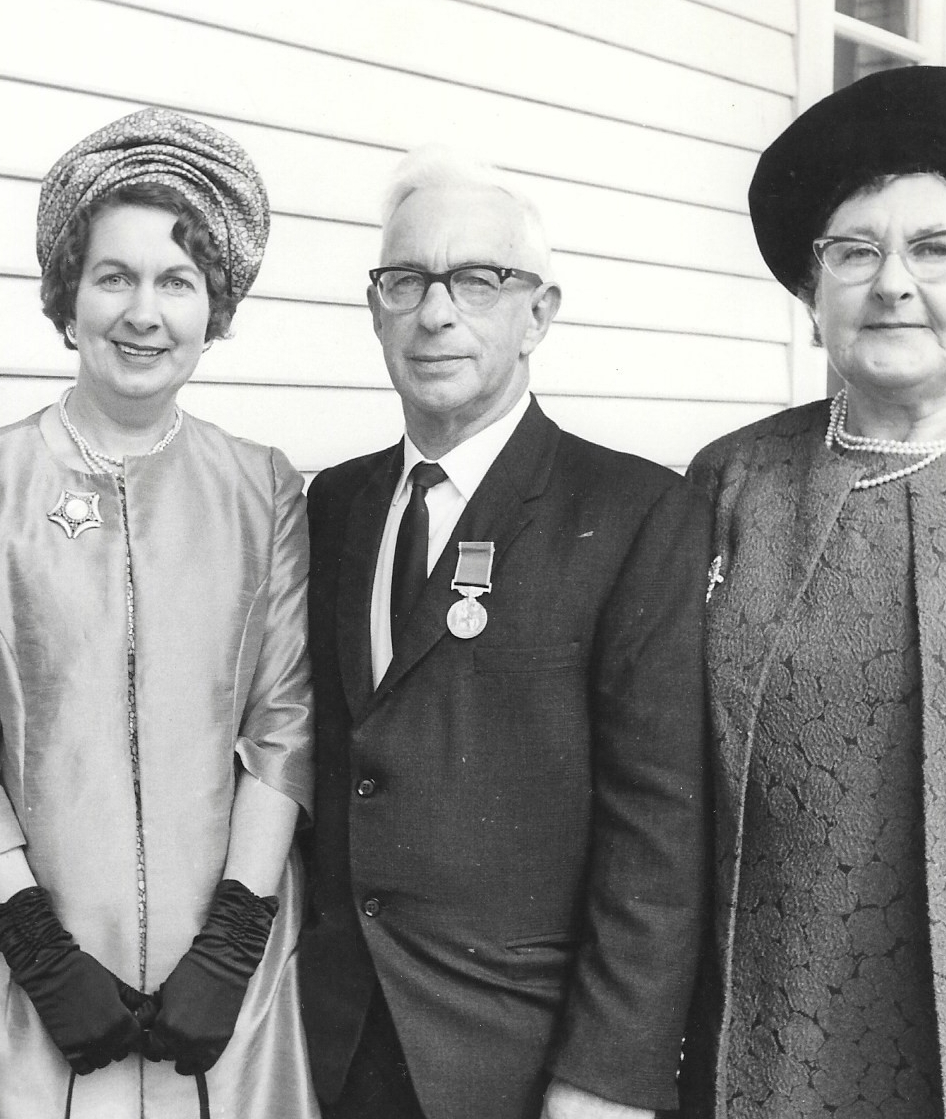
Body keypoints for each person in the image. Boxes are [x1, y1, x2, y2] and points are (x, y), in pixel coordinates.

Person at [681, 66, 946, 1118]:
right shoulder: (729, 481)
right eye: (852, 252)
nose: (889, 283)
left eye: (937, 249)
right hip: (778, 1029)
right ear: (813, 293)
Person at [0, 107, 318, 1119]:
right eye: (114, 276)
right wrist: (42, 956)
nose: (144, 312)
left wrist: (230, 944)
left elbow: (282, 726)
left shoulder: (261, 488)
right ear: (67, 296)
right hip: (26, 984)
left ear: (213, 304)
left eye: (176, 281)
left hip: (221, 981)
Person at [298, 147, 711, 1119]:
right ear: (374, 308)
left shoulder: (633, 511)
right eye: (405, 281)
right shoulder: (335, 504)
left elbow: (655, 833)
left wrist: (604, 1082)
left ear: (538, 313)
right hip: (335, 1047)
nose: (435, 312)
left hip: (518, 1063)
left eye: (477, 280)